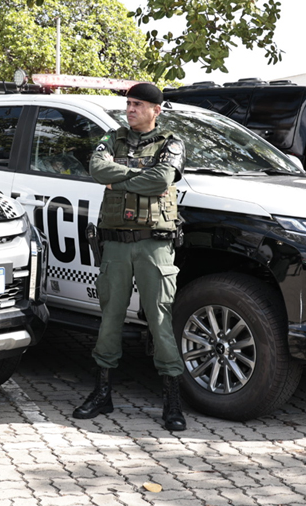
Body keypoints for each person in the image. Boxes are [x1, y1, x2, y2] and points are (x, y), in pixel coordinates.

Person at [73, 82, 187, 432]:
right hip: (116, 244)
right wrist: (141, 176)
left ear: (157, 110)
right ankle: (103, 392)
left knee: (159, 319)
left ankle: (172, 399)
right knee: (110, 318)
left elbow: (163, 179)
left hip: (154, 245)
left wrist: (121, 180)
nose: (131, 109)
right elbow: (97, 169)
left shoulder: (171, 143)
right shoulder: (112, 138)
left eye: (139, 104)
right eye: (129, 103)